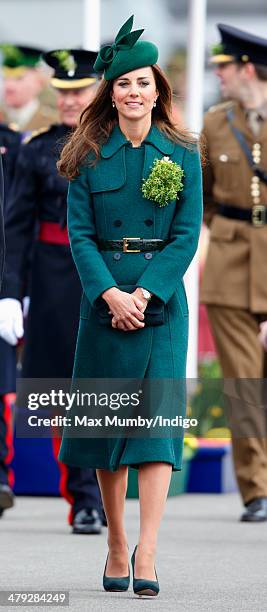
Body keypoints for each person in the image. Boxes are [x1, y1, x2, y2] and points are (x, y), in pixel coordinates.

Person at [57, 15, 202, 596]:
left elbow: (187, 234)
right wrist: (111, 294)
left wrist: (146, 292)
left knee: (156, 431)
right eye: (123, 84)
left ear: (157, 90)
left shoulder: (183, 150)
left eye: (143, 82)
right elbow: (80, 234)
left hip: (160, 304)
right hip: (105, 303)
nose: (134, 92)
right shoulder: (88, 154)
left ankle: (147, 550)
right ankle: (116, 540)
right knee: (104, 427)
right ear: (110, 93)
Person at [0, 49, 106, 533]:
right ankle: (83, 496)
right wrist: (9, 292)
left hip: (106, 275)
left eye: (78, 91)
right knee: (62, 390)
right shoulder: (35, 149)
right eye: (62, 93)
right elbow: (16, 228)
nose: (69, 101)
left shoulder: (116, 144)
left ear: (96, 92)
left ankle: (105, 487)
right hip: (49, 278)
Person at [200, 24, 267, 522]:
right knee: (244, 384)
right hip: (228, 264)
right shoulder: (216, 122)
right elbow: (201, 197)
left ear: (247, 68)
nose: (218, 76)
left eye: (224, 67)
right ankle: (257, 489)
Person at [0, 44, 58, 132]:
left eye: (19, 78)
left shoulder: (54, 124)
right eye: (5, 78)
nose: (9, 86)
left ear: (39, 81)